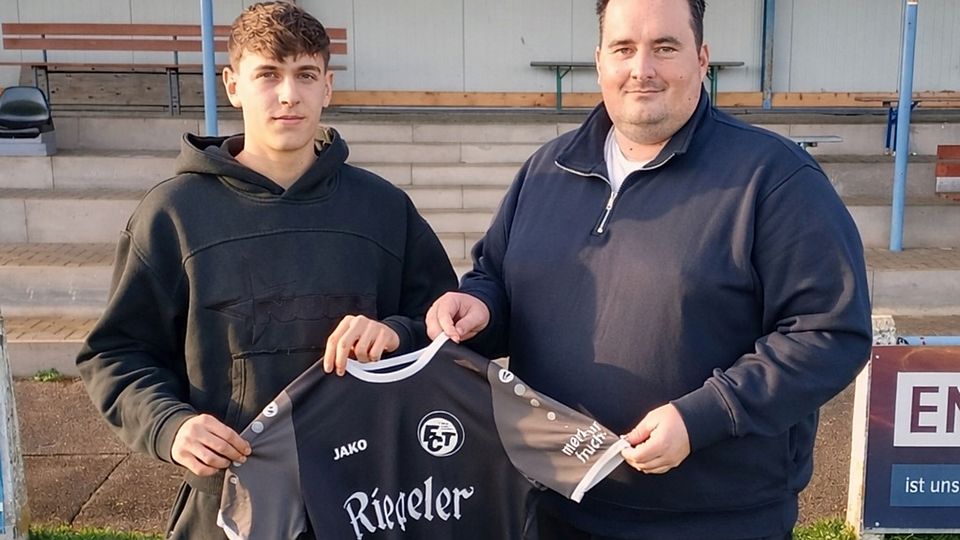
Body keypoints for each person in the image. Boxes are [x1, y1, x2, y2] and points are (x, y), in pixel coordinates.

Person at [426, 0, 872, 538]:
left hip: (711, 521)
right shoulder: (547, 170)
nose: (642, 69)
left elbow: (829, 333)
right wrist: (479, 306)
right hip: (553, 504)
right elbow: (496, 279)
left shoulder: (775, 179)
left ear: (701, 58)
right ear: (599, 61)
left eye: (664, 47)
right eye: (623, 49)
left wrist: (705, 415)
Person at [76, 2, 456, 538]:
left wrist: (396, 333)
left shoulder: (384, 209)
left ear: (328, 87)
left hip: (371, 501)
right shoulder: (173, 214)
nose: (288, 94)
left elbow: (443, 330)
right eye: (268, 74)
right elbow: (116, 353)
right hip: (228, 501)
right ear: (233, 85)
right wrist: (170, 425)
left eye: (305, 75)